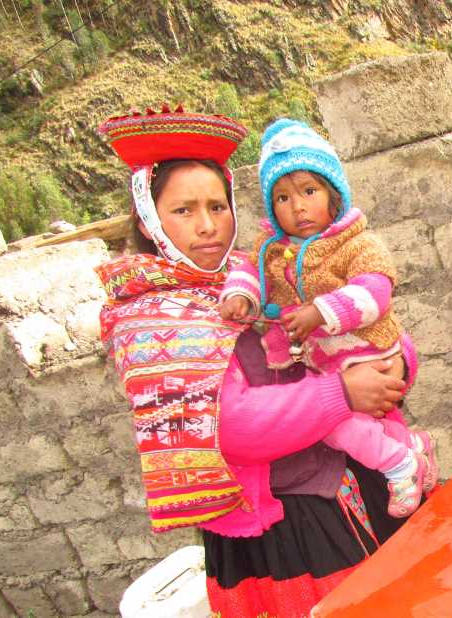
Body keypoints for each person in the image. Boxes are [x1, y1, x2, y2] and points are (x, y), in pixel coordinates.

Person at [95, 105, 418, 616]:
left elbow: (345, 336)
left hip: (350, 481)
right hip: (285, 530)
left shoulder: (252, 278)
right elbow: (231, 427)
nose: (208, 227)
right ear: (149, 219)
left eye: (218, 207)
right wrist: (344, 392)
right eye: (184, 211)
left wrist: (394, 361)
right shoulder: (154, 318)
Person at [217, 119, 437, 518]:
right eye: (282, 198)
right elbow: (248, 271)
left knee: (343, 427)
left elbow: (375, 289)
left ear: (334, 194)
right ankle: (412, 450)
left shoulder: (355, 241)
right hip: (326, 367)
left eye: (309, 191)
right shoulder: (269, 249)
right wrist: (239, 295)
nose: (297, 206)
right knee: (354, 424)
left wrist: (321, 310)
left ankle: (399, 465)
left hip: (364, 351)